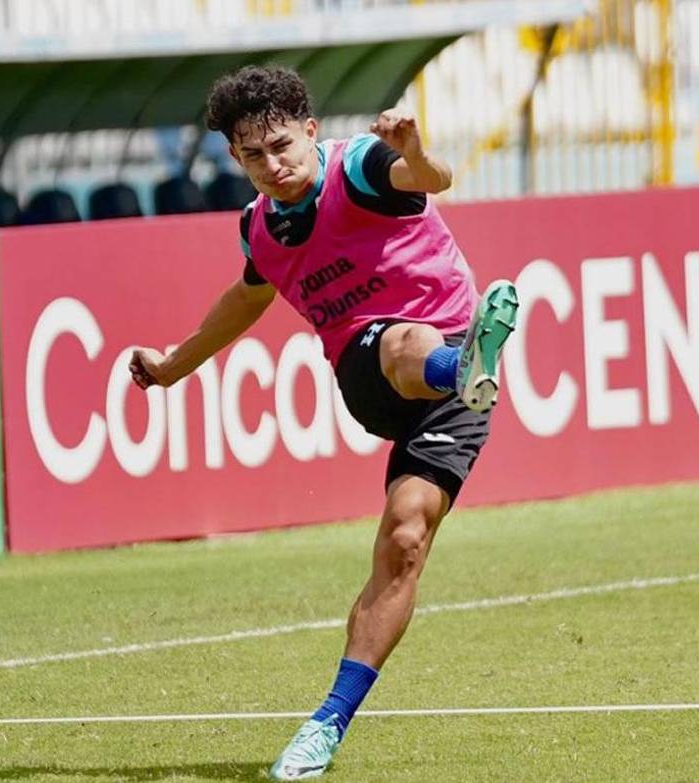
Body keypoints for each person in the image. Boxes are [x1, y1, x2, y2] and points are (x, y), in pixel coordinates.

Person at [128, 64, 519, 781]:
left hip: (463, 387)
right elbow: (247, 300)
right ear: (235, 159)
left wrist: (413, 148)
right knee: (403, 344)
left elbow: (432, 178)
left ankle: (326, 724)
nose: (273, 165)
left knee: (405, 539)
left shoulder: (363, 169)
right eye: (253, 155)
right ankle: (457, 366)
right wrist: (175, 364)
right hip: (379, 372)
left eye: (282, 144)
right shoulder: (258, 229)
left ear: (311, 130)